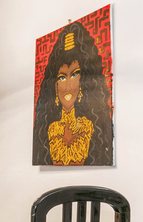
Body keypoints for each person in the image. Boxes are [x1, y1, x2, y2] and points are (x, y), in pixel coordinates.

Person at [32, 21, 114, 166]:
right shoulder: (45, 131)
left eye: (75, 75)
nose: (68, 86)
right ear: (55, 85)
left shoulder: (95, 128)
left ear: (84, 80)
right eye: (62, 77)